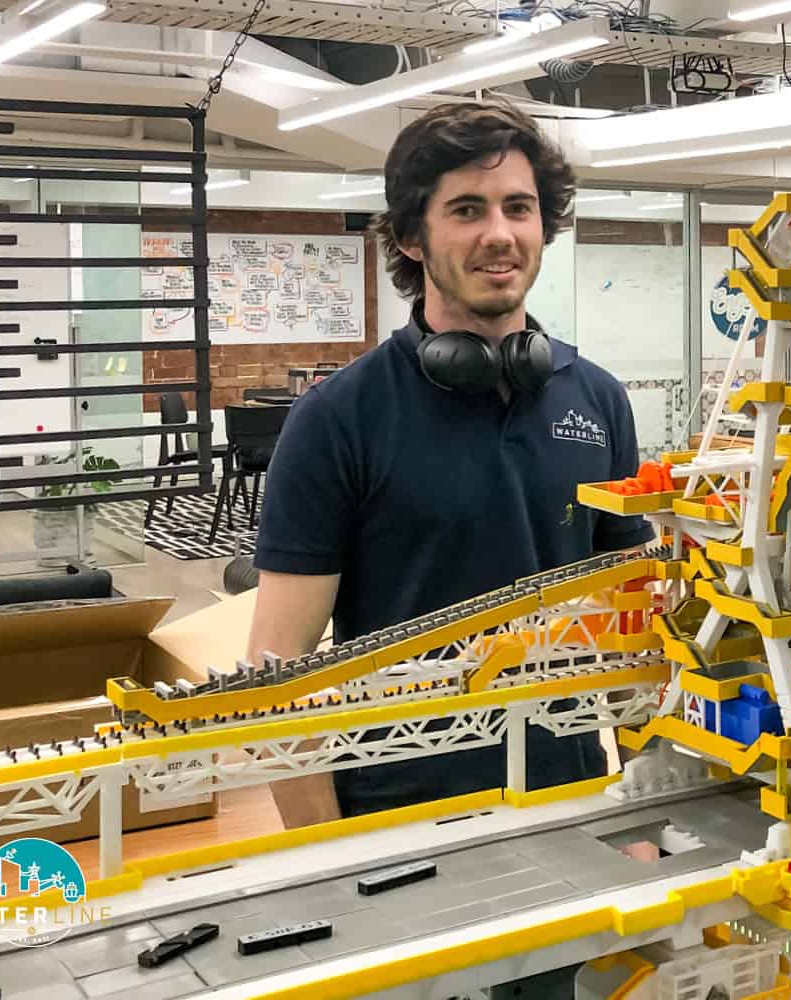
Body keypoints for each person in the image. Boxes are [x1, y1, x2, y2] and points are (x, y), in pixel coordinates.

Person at [247, 101, 653, 829]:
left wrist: (641, 818)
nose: (499, 235)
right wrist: (327, 860)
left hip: (574, 807)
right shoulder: (337, 420)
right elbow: (280, 677)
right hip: (394, 823)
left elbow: (633, 633)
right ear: (410, 237)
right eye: (467, 209)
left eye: (518, 208)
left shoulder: (598, 402)